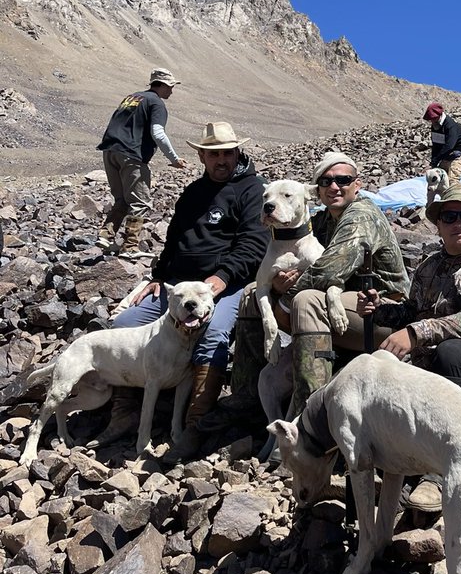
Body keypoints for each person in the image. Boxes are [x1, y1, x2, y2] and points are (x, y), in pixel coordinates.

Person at [201, 150, 409, 433]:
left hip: (383, 311)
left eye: (343, 180)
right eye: (326, 181)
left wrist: (281, 304)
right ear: (317, 191)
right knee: (252, 292)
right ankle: (247, 396)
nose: (334, 186)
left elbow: (328, 271)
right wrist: (274, 286)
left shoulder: (361, 215)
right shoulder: (322, 220)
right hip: (346, 303)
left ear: (357, 185)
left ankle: (308, 414)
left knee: (306, 300)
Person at [96, 121, 269, 457]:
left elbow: (254, 243)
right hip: (177, 286)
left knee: (213, 333)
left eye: (228, 153)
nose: (222, 160)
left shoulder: (252, 190)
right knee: (125, 324)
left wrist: (221, 278)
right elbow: (174, 240)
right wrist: (158, 276)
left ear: (238, 152)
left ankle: (195, 424)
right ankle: (125, 411)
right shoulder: (193, 192)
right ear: (202, 156)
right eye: (214, 154)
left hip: (225, 284)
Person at [358, 183, 461, 511]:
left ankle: (442, 474)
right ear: (439, 225)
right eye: (449, 217)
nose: (458, 223)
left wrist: (414, 334)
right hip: (434, 373)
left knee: (452, 351)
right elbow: (411, 311)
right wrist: (379, 309)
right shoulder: (430, 266)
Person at [97, 68, 188, 258]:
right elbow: (158, 133)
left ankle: (106, 235)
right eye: (171, 86)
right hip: (131, 155)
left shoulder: (132, 97)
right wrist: (174, 159)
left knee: (122, 199)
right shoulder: (156, 103)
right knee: (140, 202)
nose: (172, 91)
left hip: (110, 151)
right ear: (162, 85)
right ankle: (130, 247)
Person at [423, 102, 461, 184]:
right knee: (439, 177)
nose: (432, 121)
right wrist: (433, 164)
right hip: (448, 155)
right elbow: (436, 146)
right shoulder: (435, 126)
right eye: (430, 120)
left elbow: (449, 146)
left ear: (439, 115)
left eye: (434, 119)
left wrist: (436, 159)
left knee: (452, 179)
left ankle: (454, 191)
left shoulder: (450, 125)